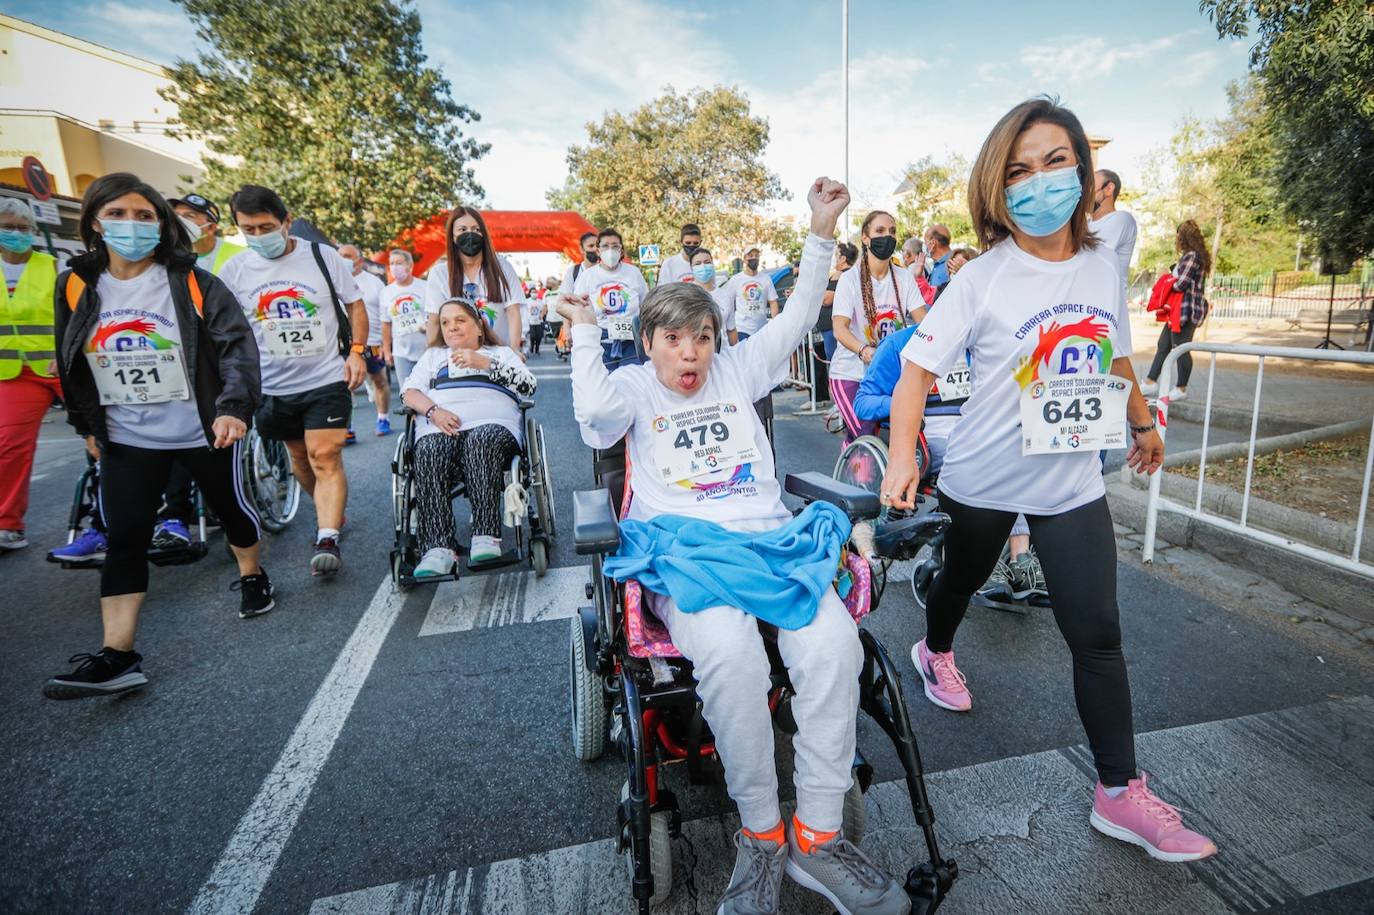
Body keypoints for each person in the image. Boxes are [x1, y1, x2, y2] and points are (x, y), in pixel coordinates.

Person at [563, 176, 911, 915]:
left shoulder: (739, 368)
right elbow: (591, 410)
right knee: (729, 653)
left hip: (767, 543)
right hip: (685, 551)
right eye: (673, 340)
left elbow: (790, 319)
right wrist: (587, 326)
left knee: (833, 646)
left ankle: (816, 836)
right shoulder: (630, 387)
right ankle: (760, 834)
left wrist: (821, 229)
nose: (689, 353)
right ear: (649, 342)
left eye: (702, 337)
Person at [881, 98, 1216, 863]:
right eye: (1019, 169)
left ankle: (1118, 790)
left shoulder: (1103, 264)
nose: (1039, 181)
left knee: (1097, 632)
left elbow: (1115, 352)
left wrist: (1142, 423)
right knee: (958, 586)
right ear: (998, 187)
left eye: (1054, 162)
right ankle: (934, 647)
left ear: (1083, 170)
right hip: (984, 476)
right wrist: (904, 456)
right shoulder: (985, 277)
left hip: (1069, 483)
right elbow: (914, 375)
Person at [44, 172, 271, 700]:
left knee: (233, 514)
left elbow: (237, 346)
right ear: (95, 222)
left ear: (162, 224)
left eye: (144, 215)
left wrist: (233, 408)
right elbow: (69, 356)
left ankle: (253, 573)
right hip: (127, 435)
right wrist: (87, 426)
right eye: (118, 214)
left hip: (204, 429)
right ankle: (118, 655)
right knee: (124, 537)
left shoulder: (193, 281)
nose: (132, 225)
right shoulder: (76, 283)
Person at [219, 184, 367, 578]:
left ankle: (328, 535)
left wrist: (356, 351)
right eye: (247, 229)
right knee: (300, 457)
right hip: (271, 385)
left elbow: (354, 303)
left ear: (286, 222)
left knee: (324, 455)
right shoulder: (234, 271)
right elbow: (224, 328)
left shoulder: (321, 256)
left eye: (265, 226)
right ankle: (328, 508)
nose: (257, 236)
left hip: (325, 377)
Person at [400, 297, 536, 572]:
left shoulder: (501, 353)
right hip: (441, 426)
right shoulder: (433, 357)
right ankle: (438, 548)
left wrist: (485, 363)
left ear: (478, 326)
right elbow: (410, 392)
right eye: (445, 322)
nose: (451, 327)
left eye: (460, 320)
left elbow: (529, 386)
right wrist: (433, 411)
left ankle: (485, 536)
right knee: (428, 449)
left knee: (480, 440)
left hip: (494, 427)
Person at [0, 196, 61, 552]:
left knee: (109, 433)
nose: (16, 234)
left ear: (34, 233)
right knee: (9, 445)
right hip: (14, 374)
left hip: (62, 367)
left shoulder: (52, 268)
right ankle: (7, 524)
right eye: (8, 227)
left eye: (23, 228)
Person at [829, 210, 922, 442]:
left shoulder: (904, 277)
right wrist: (865, 351)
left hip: (888, 375)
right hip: (851, 373)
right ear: (865, 238)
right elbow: (840, 329)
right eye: (880, 231)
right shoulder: (849, 280)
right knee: (865, 437)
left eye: (892, 232)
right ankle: (853, 469)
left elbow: (924, 321)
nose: (887, 237)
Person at [423, 207, 525, 355]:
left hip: (498, 356)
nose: (470, 235)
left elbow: (513, 312)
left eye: (476, 229)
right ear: (452, 236)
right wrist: (432, 357)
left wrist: (514, 350)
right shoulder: (439, 273)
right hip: (457, 357)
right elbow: (434, 320)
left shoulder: (502, 267)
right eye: (462, 229)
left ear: (484, 234)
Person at [1141, 220, 1211, 402]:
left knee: (1181, 348)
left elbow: (1180, 284)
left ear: (1184, 237)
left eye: (1179, 236)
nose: (1177, 239)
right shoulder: (1191, 256)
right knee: (1164, 344)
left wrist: (1169, 275)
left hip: (1187, 311)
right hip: (1178, 310)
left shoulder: (1193, 257)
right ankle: (1150, 382)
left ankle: (1181, 387)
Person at [564, 227, 649, 370]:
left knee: (631, 385)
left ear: (621, 250)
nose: (611, 250)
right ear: (598, 251)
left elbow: (647, 304)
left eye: (615, 246)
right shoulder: (588, 276)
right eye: (605, 246)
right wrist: (572, 332)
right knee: (604, 386)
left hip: (631, 343)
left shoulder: (633, 273)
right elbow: (578, 309)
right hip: (600, 343)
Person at [339, 243, 392, 435]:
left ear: (359, 261)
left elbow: (385, 315)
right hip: (343, 343)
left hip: (372, 342)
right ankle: (347, 428)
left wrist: (385, 345)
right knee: (345, 385)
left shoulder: (374, 283)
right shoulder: (332, 280)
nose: (342, 259)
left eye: (346, 256)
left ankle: (383, 418)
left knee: (379, 381)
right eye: (340, 255)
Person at [380, 248, 426, 389]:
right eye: (392, 263)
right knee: (406, 392)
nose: (395, 267)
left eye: (399, 263)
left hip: (425, 349)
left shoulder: (425, 287)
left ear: (409, 265)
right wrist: (387, 351)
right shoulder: (386, 292)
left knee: (426, 390)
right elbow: (386, 324)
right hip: (401, 352)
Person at [1088, 168, 1138, 291]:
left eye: (1090, 186)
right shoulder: (1086, 224)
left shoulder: (1121, 219)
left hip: (1108, 302)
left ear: (1109, 189)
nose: (1085, 192)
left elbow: (1092, 258)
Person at [171, 193, 245, 276]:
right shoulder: (169, 257)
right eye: (175, 215)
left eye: (189, 216)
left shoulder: (240, 256)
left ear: (211, 227)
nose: (179, 220)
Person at [720, 245, 780, 341]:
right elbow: (729, 303)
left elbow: (773, 302)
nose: (754, 258)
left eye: (756, 256)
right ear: (744, 259)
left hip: (761, 329)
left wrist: (775, 323)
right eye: (750, 255)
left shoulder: (766, 279)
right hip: (742, 329)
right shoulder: (736, 280)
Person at [819, 241, 858, 362]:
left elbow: (827, 299)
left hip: (834, 328)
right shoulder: (851, 274)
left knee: (835, 360)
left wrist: (815, 296)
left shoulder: (842, 275)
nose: (833, 258)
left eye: (835, 255)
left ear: (842, 258)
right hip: (834, 327)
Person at [526, 290, 547, 355]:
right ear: (530, 293)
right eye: (533, 292)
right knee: (533, 336)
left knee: (539, 336)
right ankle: (532, 346)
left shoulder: (540, 301)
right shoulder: (527, 301)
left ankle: (537, 348)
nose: (534, 293)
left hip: (539, 321)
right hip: (530, 322)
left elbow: (544, 309)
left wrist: (542, 315)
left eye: (535, 292)